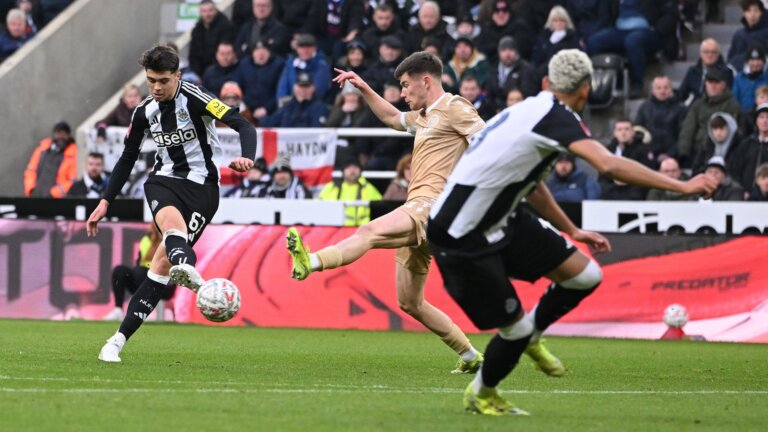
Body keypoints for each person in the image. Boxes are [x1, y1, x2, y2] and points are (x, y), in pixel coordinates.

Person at [425, 49, 716, 416]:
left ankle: (531, 334)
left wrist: (572, 229)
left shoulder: (529, 108)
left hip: (500, 218)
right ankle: (482, 393)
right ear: (586, 90)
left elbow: (530, 184)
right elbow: (609, 165)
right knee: (512, 332)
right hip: (459, 233)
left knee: (585, 275)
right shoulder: (557, 118)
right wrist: (685, 187)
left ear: (547, 83)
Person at [286, 52, 486, 373]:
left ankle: (310, 261)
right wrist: (363, 87)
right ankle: (470, 356)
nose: (403, 94)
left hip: (432, 207)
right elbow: (393, 119)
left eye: (406, 86)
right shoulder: (424, 116)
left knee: (368, 232)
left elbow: (488, 143)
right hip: (418, 208)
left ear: (426, 80)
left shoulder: (455, 107)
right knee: (410, 302)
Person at [88, 44, 256, 363]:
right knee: (169, 226)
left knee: (162, 263)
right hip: (163, 180)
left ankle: (120, 337)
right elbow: (127, 157)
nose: (156, 87)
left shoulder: (198, 98)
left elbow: (243, 125)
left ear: (177, 75)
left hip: (204, 188)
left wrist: (248, 156)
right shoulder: (144, 111)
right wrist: (106, 200)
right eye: (150, 80)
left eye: (163, 80)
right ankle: (184, 273)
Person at [585, 0, 678, 98]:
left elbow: (671, 15)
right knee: (593, 42)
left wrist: (657, 29)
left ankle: (637, 85)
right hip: (619, 30)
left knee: (633, 41)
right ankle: (591, 83)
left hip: (648, 31)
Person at [103, 225, 176, 321]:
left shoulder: (173, 242)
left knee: (142, 272)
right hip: (142, 279)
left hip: (165, 284)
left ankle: (143, 310)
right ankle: (118, 310)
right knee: (120, 270)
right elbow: (141, 261)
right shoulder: (146, 239)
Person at [677, 67, 741, 168]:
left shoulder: (732, 105)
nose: (713, 86)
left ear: (723, 84)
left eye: (716, 82)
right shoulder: (698, 104)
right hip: (697, 150)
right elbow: (688, 129)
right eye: (710, 82)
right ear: (705, 84)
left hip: (721, 151)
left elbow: (733, 131)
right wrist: (683, 152)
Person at [599, 118, 656, 200]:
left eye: (627, 129)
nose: (623, 133)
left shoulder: (643, 150)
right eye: (619, 129)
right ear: (615, 133)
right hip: (612, 191)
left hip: (635, 191)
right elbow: (602, 177)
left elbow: (647, 175)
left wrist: (628, 179)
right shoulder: (608, 151)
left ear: (633, 132)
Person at [634, 76, 685, 162]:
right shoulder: (644, 108)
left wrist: (670, 154)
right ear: (652, 90)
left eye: (666, 87)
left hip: (673, 156)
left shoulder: (680, 109)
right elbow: (638, 131)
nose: (662, 91)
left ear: (671, 89)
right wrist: (646, 151)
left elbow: (683, 136)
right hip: (648, 154)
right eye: (658, 88)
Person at [318, 159, 382, 226]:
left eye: (355, 167)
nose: (352, 171)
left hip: (361, 230)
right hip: (335, 229)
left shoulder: (368, 188)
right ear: (343, 170)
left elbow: (380, 207)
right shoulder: (332, 187)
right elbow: (319, 207)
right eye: (348, 167)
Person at [23, 121, 77, 197]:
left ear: (68, 135)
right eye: (59, 133)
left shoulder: (73, 154)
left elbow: (73, 181)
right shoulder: (42, 150)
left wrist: (55, 193)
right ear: (54, 134)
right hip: (36, 195)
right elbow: (30, 170)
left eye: (64, 133)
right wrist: (31, 188)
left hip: (56, 200)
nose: (61, 136)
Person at [484, 36, 538, 109]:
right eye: (504, 50)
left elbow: (529, 95)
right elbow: (490, 94)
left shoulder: (526, 69)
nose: (507, 54)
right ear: (499, 52)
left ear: (516, 51)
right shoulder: (493, 70)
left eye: (511, 50)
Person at [260, 71, 330, 127]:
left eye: (306, 86)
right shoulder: (287, 107)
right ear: (294, 87)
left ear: (313, 88)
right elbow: (270, 122)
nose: (303, 89)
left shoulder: (319, 108)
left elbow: (318, 131)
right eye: (301, 86)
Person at [275, 34, 331, 103]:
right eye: (302, 47)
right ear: (297, 49)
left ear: (314, 48)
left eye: (308, 47)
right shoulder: (290, 64)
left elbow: (318, 91)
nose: (305, 51)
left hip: (311, 106)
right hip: (289, 105)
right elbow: (282, 88)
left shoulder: (322, 66)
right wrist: (283, 103)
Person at [676, 39, 734, 104]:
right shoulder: (693, 71)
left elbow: (729, 95)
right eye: (706, 52)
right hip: (696, 107)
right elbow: (681, 94)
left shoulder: (726, 72)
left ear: (718, 54)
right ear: (700, 54)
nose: (709, 55)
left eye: (713, 52)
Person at [189, 0, 236, 78]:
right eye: (204, 11)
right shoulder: (197, 30)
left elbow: (225, 53)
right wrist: (196, 73)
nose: (207, 14)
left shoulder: (226, 27)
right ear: (200, 13)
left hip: (220, 71)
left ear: (216, 11)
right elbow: (193, 54)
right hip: (200, 72)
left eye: (210, 10)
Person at [690, 113, 743, 177]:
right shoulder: (706, 147)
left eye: (721, 128)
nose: (718, 133)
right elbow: (696, 170)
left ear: (730, 129)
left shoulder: (740, 147)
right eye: (715, 129)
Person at [732, 103, 768, 195]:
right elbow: (736, 170)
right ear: (756, 121)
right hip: (746, 197)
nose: (765, 121)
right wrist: (741, 190)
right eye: (761, 117)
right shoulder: (746, 144)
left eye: (767, 117)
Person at [531, 6, 581, 71]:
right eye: (555, 20)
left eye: (562, 20)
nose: (559, 23)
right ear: (551, 22)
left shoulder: (573, 38)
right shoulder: (544, 39)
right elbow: (536, 59)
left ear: (566, 22)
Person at [727, 0, 768, 72]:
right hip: (738, 75)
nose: (752, 14)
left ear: (761, 13)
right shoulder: (738, 35)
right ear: (744, 13)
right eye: (748, 11)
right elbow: (730, 58)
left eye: (755, 11)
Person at [733, 44, 768, 112]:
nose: (755, 63)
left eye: (758, 60)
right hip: (743, 118)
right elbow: (735, 101)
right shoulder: (739, 78)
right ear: (747, 61)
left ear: (764, 62)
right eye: (752, 60)